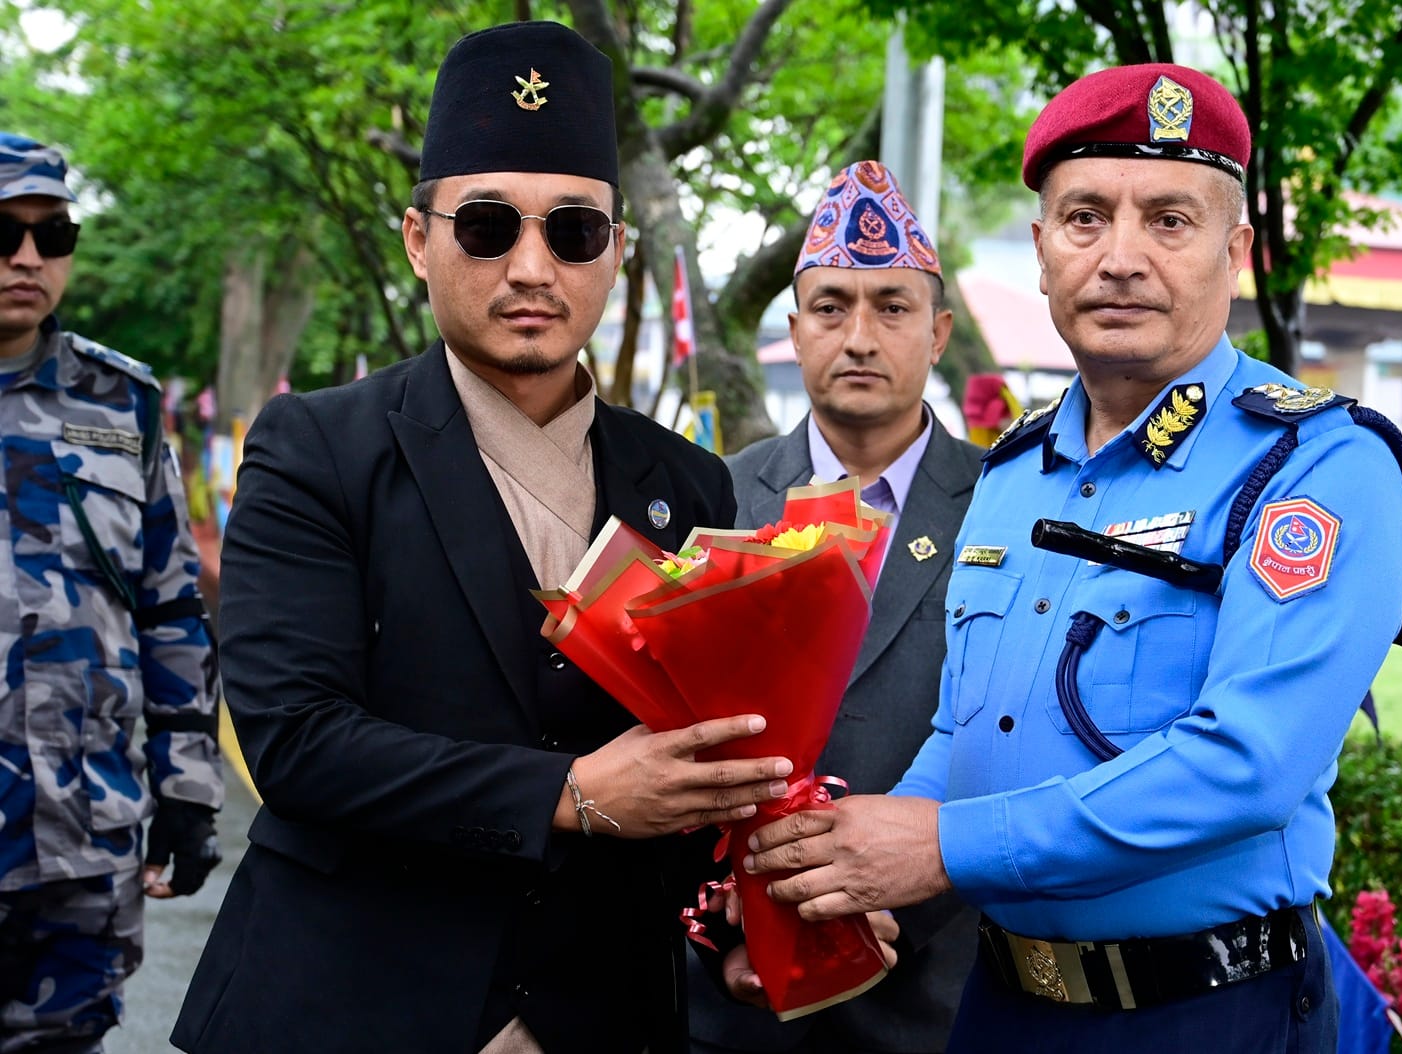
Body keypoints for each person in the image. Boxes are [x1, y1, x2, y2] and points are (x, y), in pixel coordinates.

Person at [741, 64, 1402, 1053]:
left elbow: (1248, 764)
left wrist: (941, 846)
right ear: (1041, 251)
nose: (1120, 258)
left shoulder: (1316, 464)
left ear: (1235, 251)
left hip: (1204, 1013)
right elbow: (963, 729)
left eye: (1169, 221)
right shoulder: (1013, 470)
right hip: (1000, 1006)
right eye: (1085, 218)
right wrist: (852, 859)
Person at [171, 22, 792, 1054]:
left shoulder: (685, 480)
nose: (532, 268)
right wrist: (570, 794)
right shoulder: (319, 448)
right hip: (356, 1000)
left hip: (602, 1010)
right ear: (419, 240)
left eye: (574, 231)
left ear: (617, 251)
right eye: (489, 226)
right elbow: (296, 742)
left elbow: (686, 758)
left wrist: (730, 905)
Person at [689, 161, 981, 1054]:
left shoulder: (1004, 508)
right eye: (830, 307)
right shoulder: (712, 499)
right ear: (793, 330)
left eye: (891, 308)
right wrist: (722, 924)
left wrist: (890, 906)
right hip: (734, 995)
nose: (858, 337)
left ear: (937, 333)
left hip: (934, 996)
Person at [0, 133, 224, 1053]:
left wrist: (189, 793)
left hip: (78, 842)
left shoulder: (120, 402)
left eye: (52, 236)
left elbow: (171, 608)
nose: (27, 258)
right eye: (3, 234)